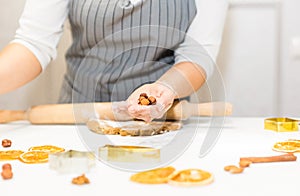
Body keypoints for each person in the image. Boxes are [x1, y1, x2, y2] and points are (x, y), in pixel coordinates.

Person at [0, 0, 228, 122]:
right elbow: (33, 43)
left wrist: (164, 89)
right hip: (76, 117)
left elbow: (196, 55)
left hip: (162, 124)